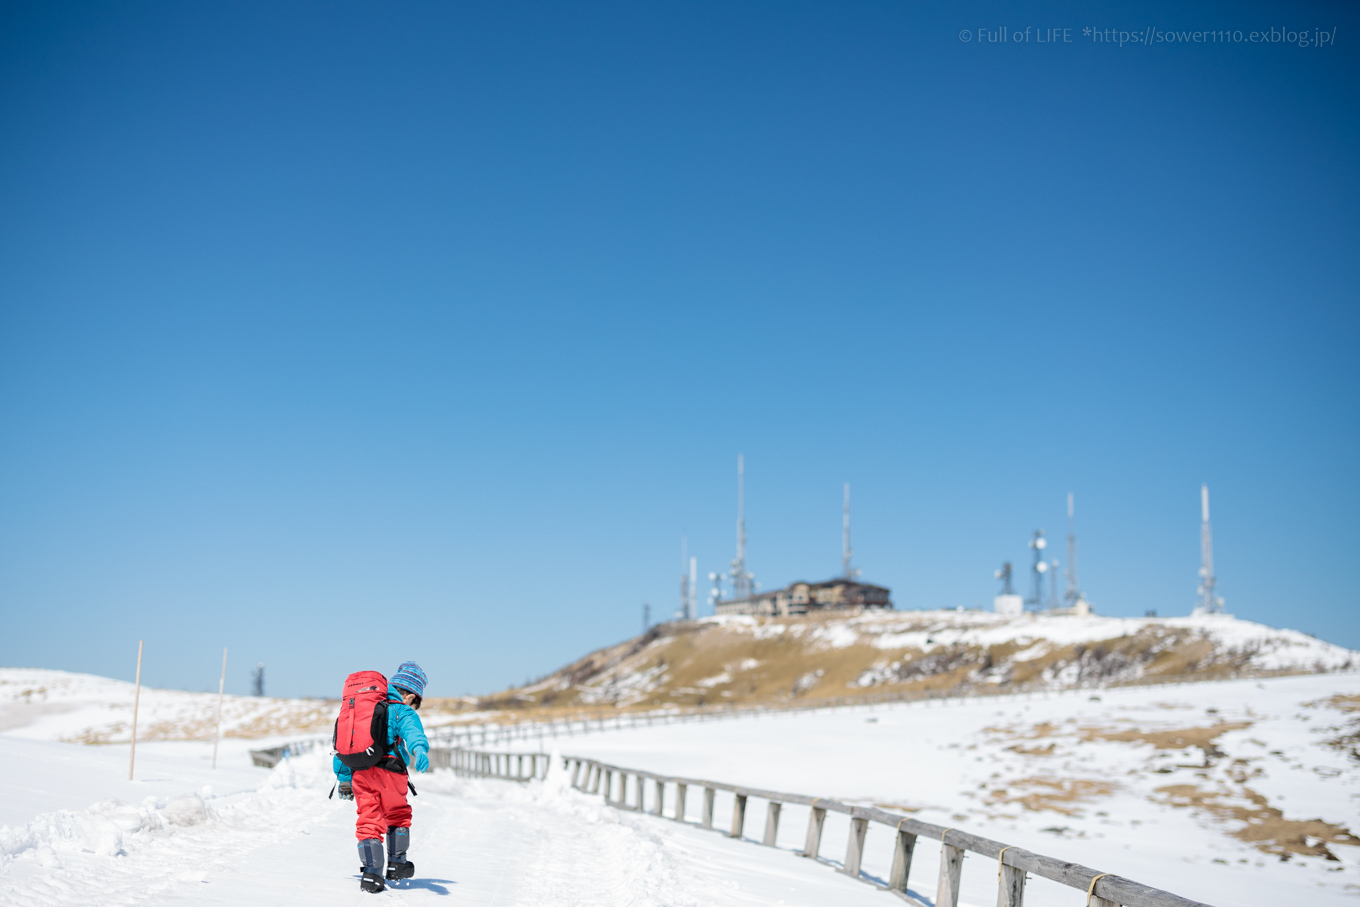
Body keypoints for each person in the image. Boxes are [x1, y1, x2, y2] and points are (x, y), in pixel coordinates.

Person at [335, 661, 430, 893]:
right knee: (397, 813)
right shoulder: (400, 708)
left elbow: (343, 744)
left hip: (361, 773)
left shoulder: (358, 710)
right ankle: (397, 864)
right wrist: (420, 750)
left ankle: (371, 874)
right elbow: (413, 731)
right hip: (391, 772)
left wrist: (345, 778)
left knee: (368, 819)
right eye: (416, 704)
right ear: (410, 696)